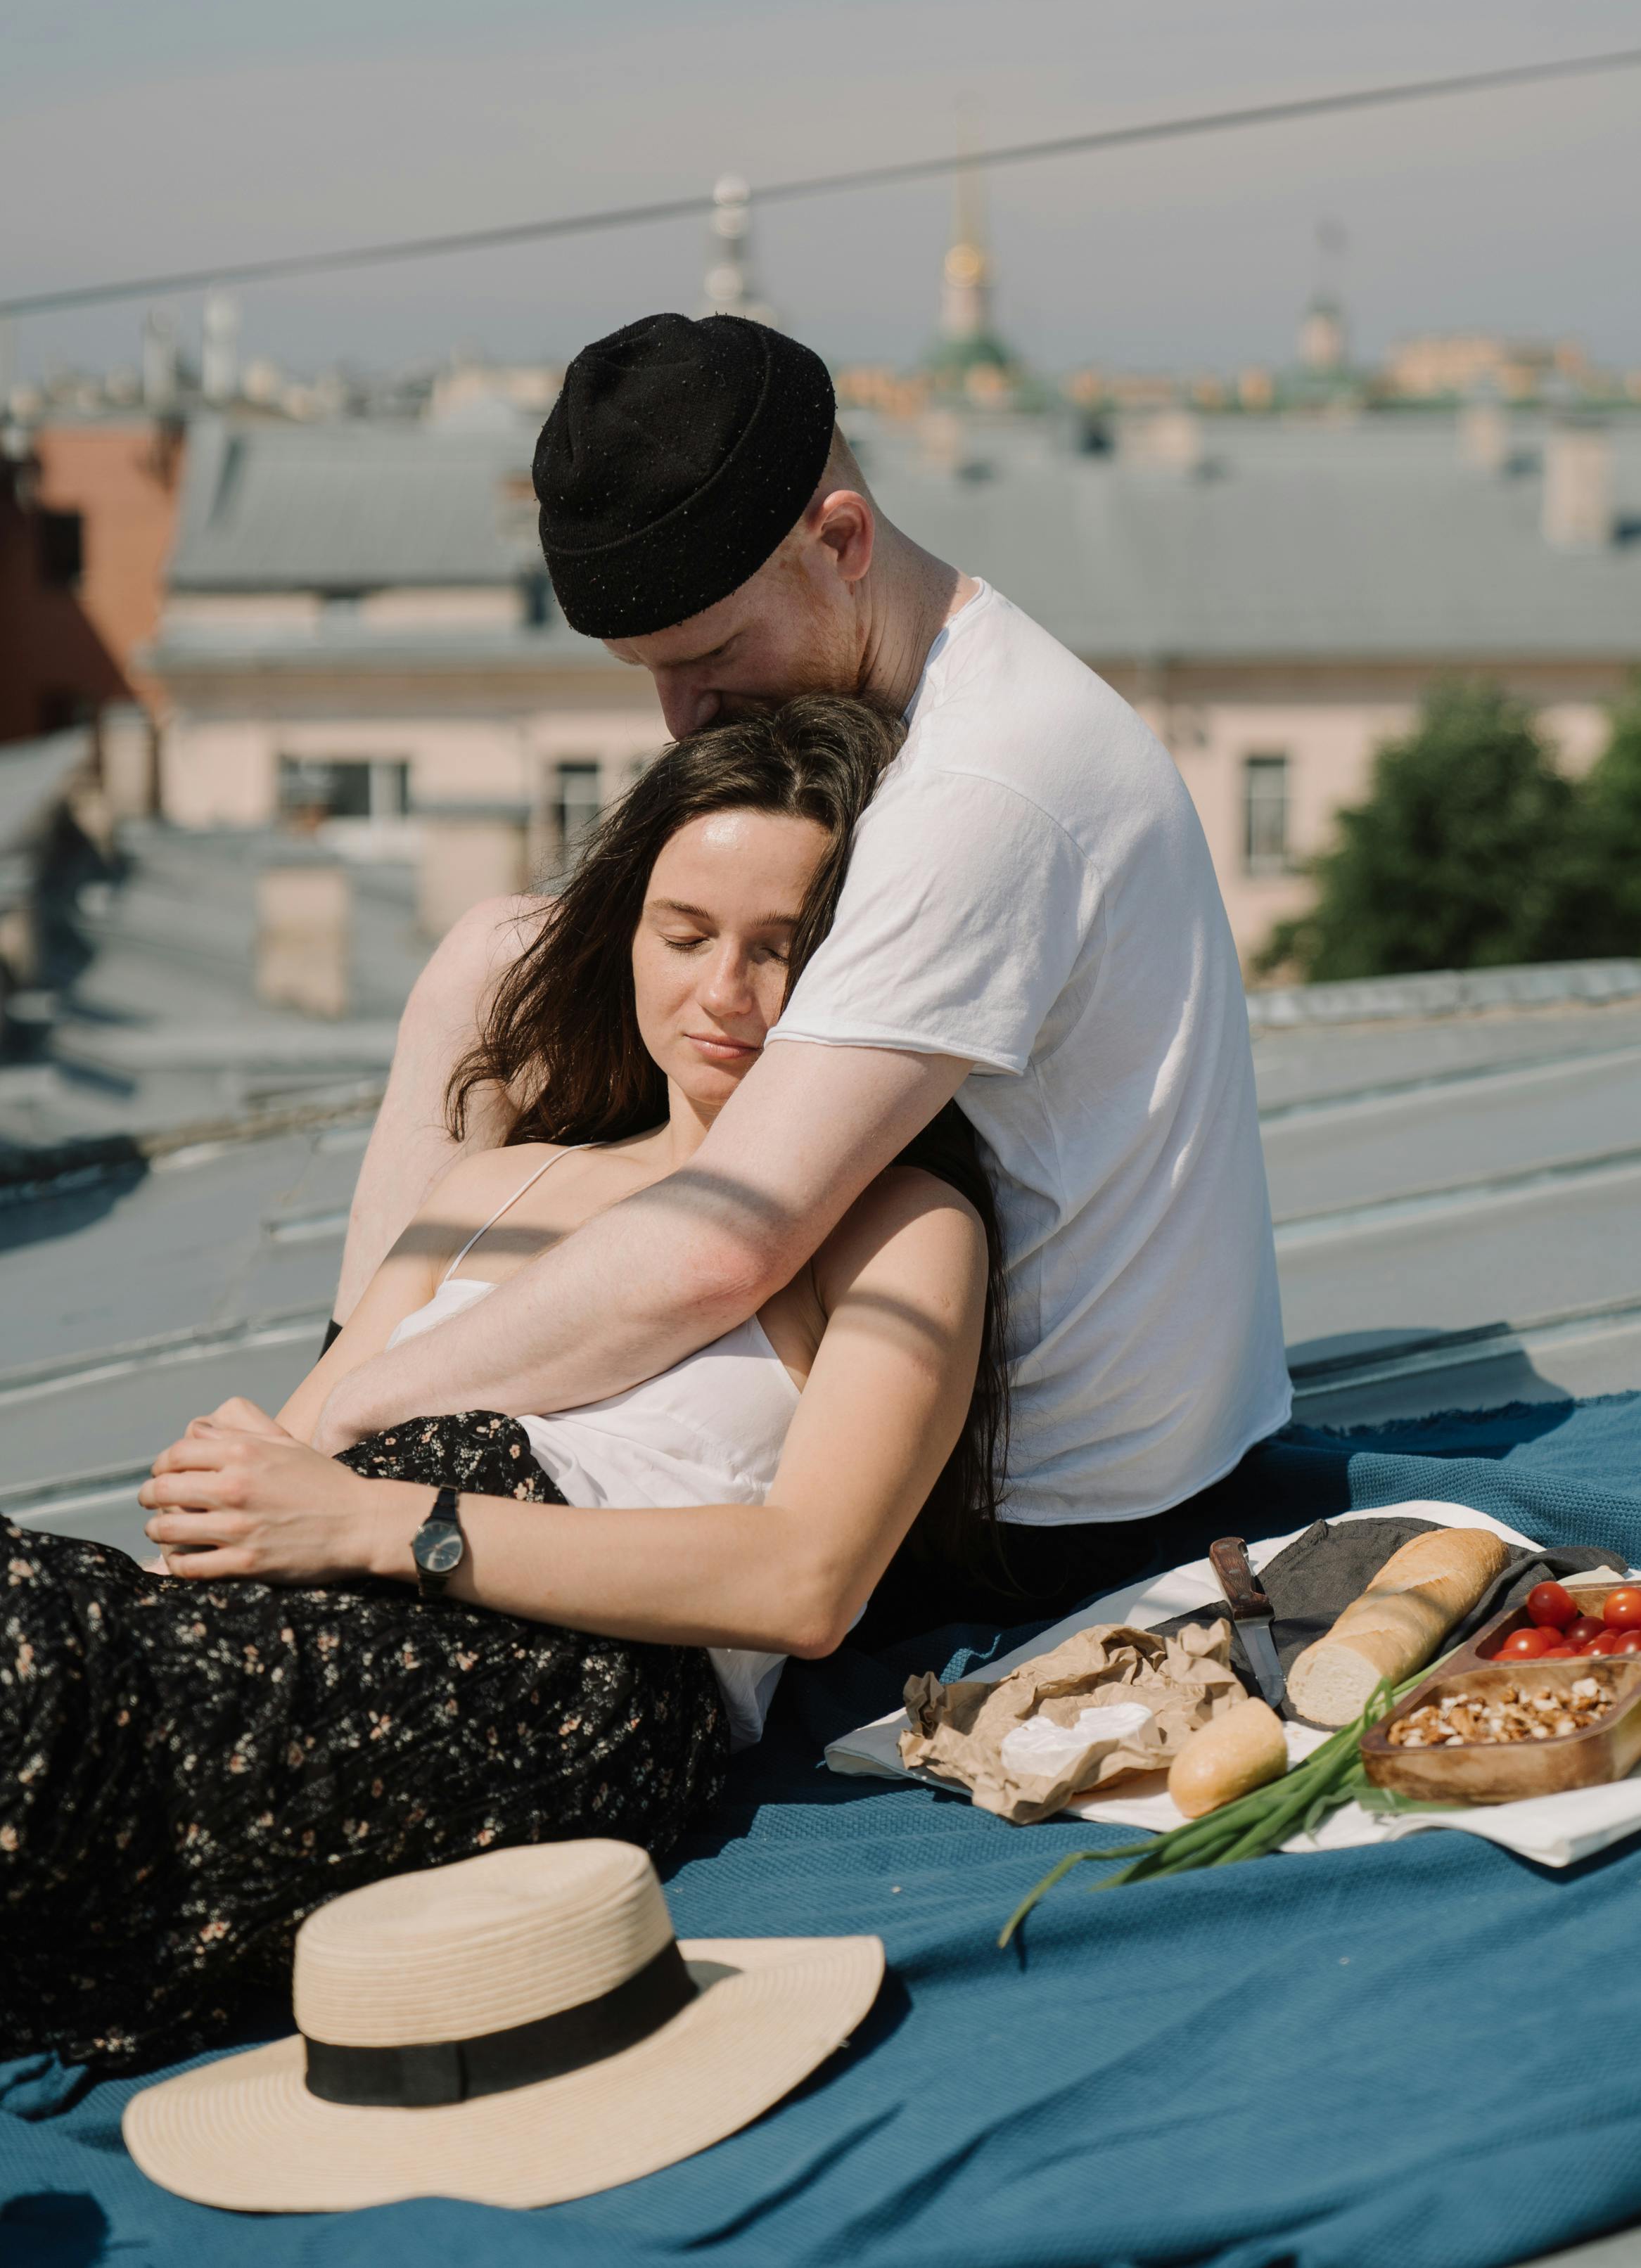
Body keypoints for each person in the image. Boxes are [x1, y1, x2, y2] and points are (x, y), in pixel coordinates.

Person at [0, 697, 1004, 2068]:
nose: (726, 995)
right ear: (624, 932)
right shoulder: (496, 1185)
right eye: (687, 934)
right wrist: (235, 1501)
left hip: (558, 1684)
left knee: (53, 1694)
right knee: (58, 1640)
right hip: (292, 1640)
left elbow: (807, 1582)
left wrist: (388, 1524)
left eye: (786, 949)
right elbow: (273, 1492)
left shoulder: (896, 1223)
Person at [311, 311, 1291, 1632]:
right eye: (649, 674)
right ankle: (332, 1423)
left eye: (710, 657)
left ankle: (323, 1441)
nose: (681, 720)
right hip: (1069, 1433)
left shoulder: (978, 792)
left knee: (367, 1406)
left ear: (840, 542)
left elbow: (726, 1244)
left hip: (1037, 1518)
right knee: (494, 959)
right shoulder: (955, 673)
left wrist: (339, 1427)